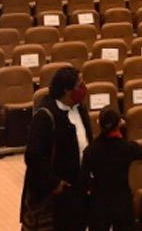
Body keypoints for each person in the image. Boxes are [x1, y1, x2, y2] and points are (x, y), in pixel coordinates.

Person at [22, 66, 91, 231]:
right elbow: (33, 157)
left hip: (78, 188)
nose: (84, 88)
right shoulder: (45, 115)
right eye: (80, 85)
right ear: (67, 90)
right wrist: (54, 184)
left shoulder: (80, 108)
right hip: (55, 194)